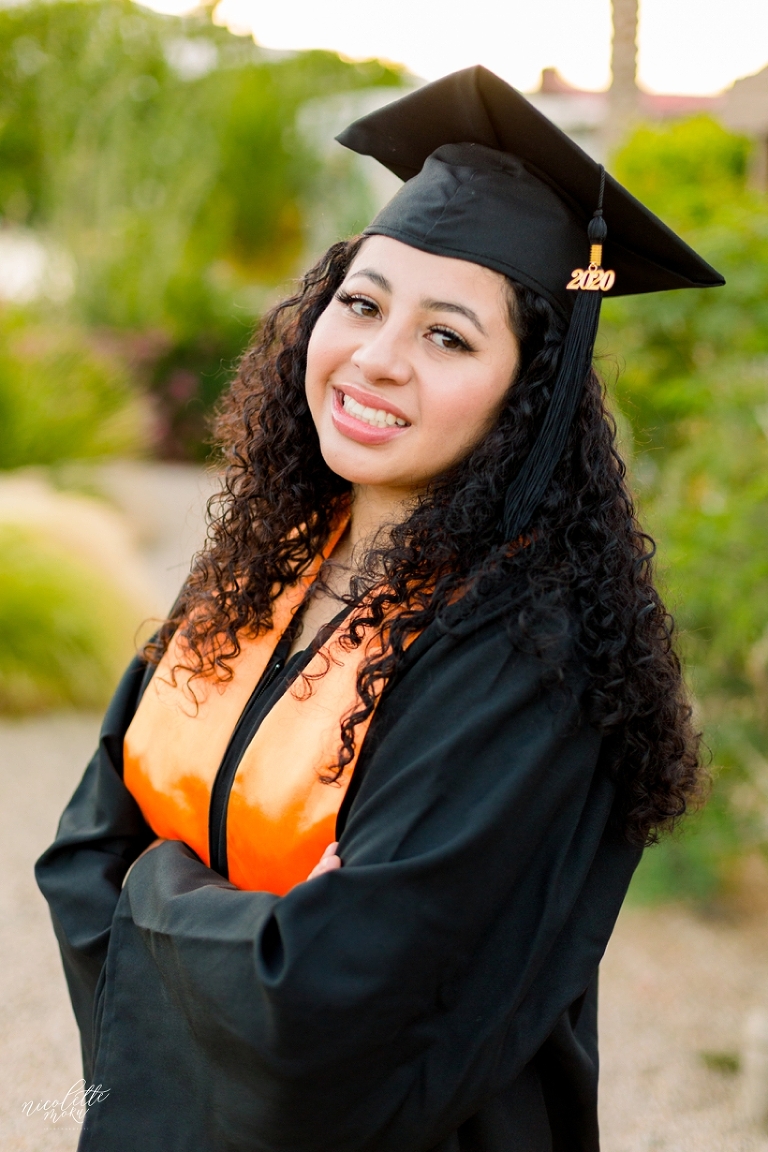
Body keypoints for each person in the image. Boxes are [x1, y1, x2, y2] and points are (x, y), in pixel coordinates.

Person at [36, 66, 724, 1152]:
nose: (376, 358)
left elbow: (330, 992)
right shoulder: (263, 568)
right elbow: (79, 854)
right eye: (361, 303)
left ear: (525, 394)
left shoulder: (525, 656)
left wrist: (155, 895)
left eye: (448, 336)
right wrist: (235, 919)